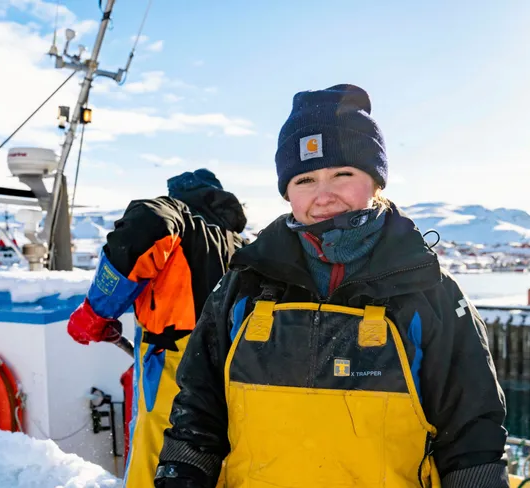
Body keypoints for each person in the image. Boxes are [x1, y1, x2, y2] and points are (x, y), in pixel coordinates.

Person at [154, 84, 508, 488]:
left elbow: (472, 431)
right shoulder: (245, 283)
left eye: (343, 174)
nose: (323, 195)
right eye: (304, 179)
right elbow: (198, 408)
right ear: (287, 191)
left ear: (375, 183)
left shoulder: (429, 290)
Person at [67, 168, 248, 488]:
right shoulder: (238, 244)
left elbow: (147, 225)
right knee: (209, 452)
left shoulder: (177, 213)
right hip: (233, 366)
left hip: (174, 361)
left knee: (157, 448)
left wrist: (96, 311)